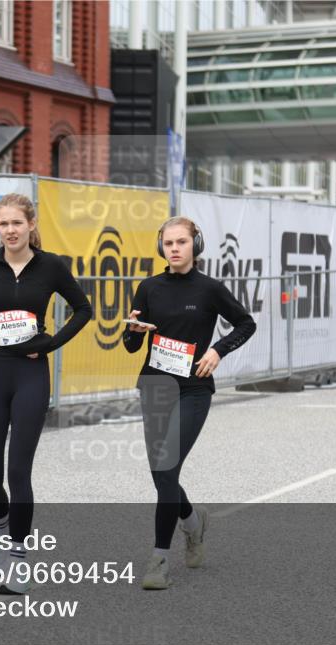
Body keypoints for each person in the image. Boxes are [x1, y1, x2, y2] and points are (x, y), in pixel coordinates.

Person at [0, 193, 93, 595]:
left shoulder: (51, 266)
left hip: (31, 374)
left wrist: (48, 346)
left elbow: (83, 309)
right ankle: (1, 530)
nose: (10, 231)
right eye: (3, 224)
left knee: (18, 473)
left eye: (17, 223)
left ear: (31, 224)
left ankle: (16, 558)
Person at [122, 217, 255, 590]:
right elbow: (133, 346)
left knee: (166, 467)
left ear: (195, 245)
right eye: (168, 243)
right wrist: (130, 332)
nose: (175, 248)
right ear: (160, 247)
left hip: (194, 389)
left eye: (182, 242)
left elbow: (246, 324)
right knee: (162, 473)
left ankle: (158, 559)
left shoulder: (210, 289)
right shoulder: (148, 288)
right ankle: (193, 523)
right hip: (155, 386)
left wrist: (217, 350)